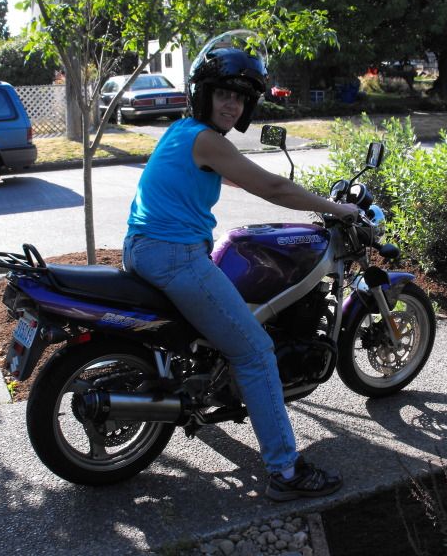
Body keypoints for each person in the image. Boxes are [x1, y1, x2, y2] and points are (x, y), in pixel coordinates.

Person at [123, 31, 360, 501]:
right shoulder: (206, 139)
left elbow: (218, 176)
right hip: (175, 255)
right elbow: (273, 189)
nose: (231, 105)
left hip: (144, 247)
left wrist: (256, 180)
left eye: (240, 98)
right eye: (223, 95)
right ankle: (285, 472)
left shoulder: (182, 132)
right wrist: (339, 209)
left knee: (223, 330)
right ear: (204, 95)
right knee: (255, 352)